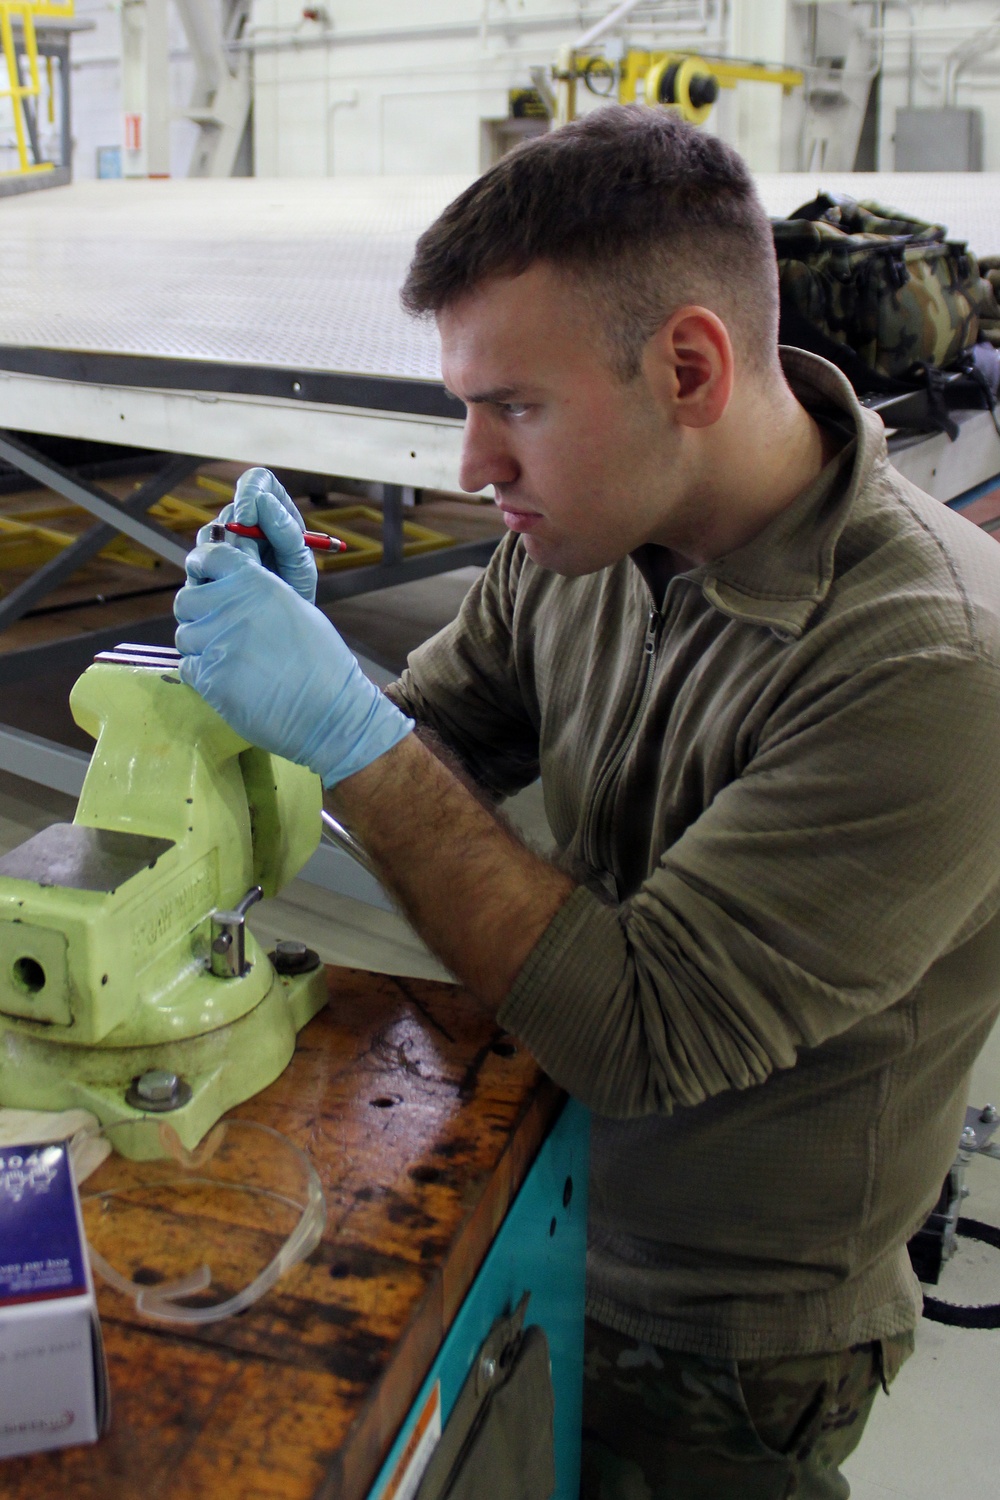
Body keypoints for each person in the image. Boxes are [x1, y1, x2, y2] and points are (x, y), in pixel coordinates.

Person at [174, 107, 1000, 1498]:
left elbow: (638, 1028)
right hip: (532, 1183)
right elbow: (437, 737)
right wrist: (300, 677)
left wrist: (346, 732)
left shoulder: (931, 668)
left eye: (516, 407)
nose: (471, 468)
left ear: (688, 366)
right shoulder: (587, 532)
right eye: (466, 407)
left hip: (719, 1329)